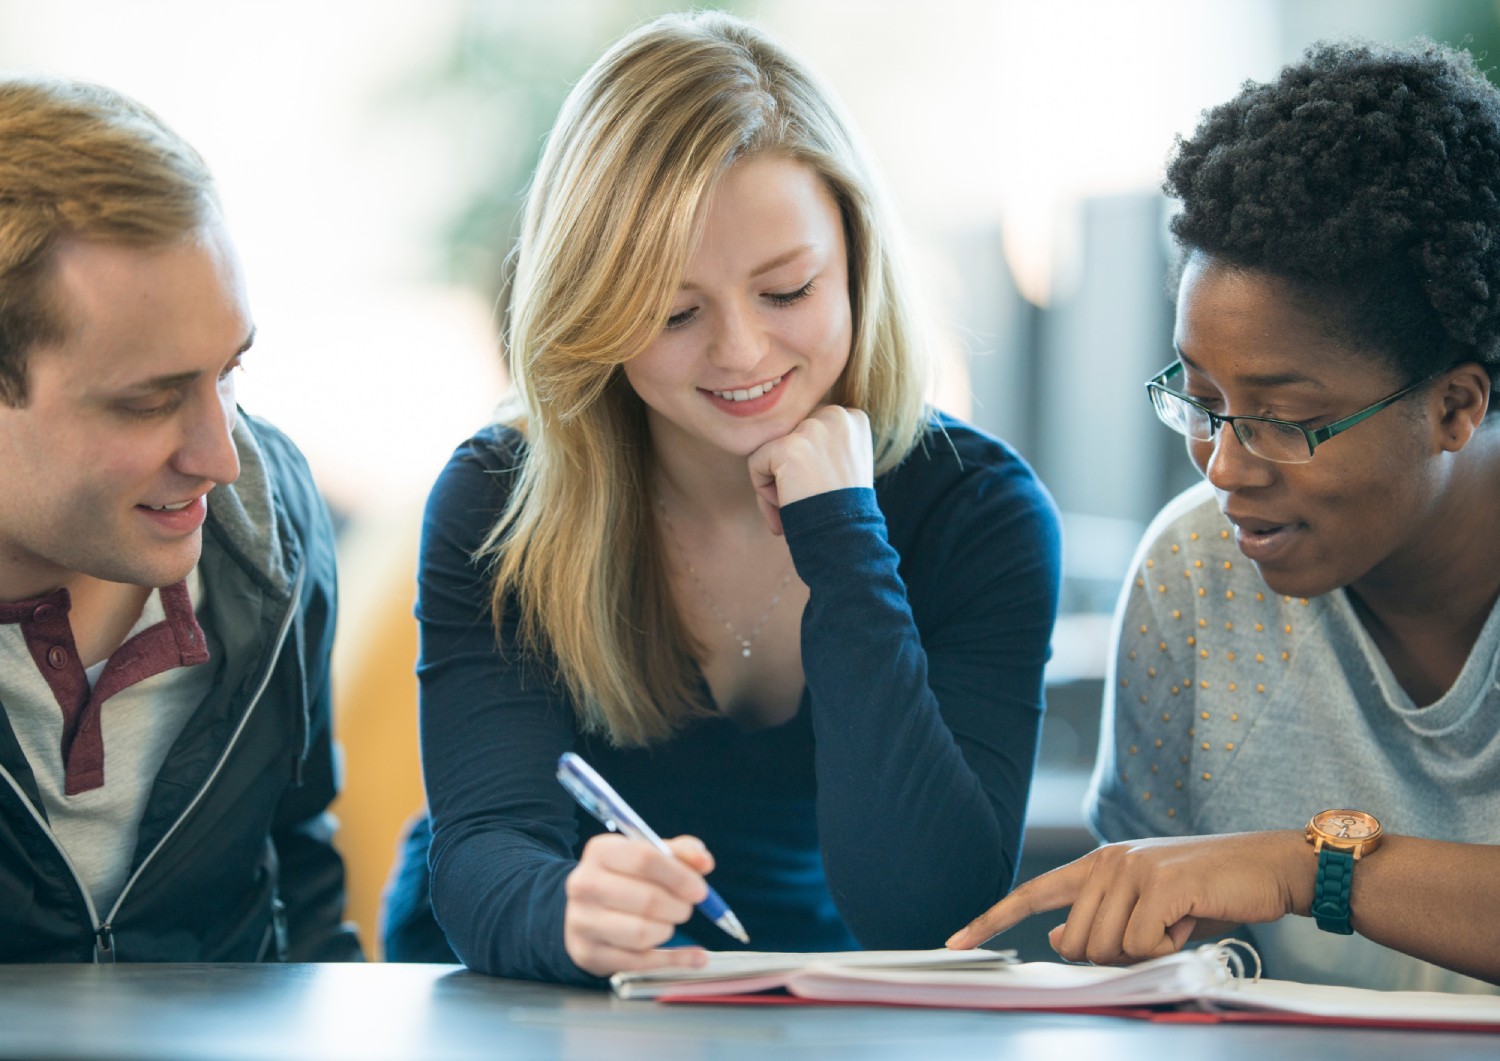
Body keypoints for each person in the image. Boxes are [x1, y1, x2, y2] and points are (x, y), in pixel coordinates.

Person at [381, 11, 1061, 983]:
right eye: (673, 311)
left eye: (786, 291)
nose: (742, 351)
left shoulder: (977, 511)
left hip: (802, 997)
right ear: (596, 308)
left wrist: (844, 539)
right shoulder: (502, 499)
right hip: (530, 994)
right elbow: (485, 848)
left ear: (858, 260)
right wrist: (566, 912)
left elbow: (930, 910)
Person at [949, 39, 1500, 992]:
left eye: (1286, 421)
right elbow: (1169, 960)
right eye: (1201, 400)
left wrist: (1305, 866)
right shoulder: (1194, 577)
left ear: (1454, 407)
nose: (1225, 466)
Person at [0, 76, 360, 962]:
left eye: (228, 371)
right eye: (150, 401)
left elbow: (300, 864)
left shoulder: (274, 521)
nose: (222, 457)